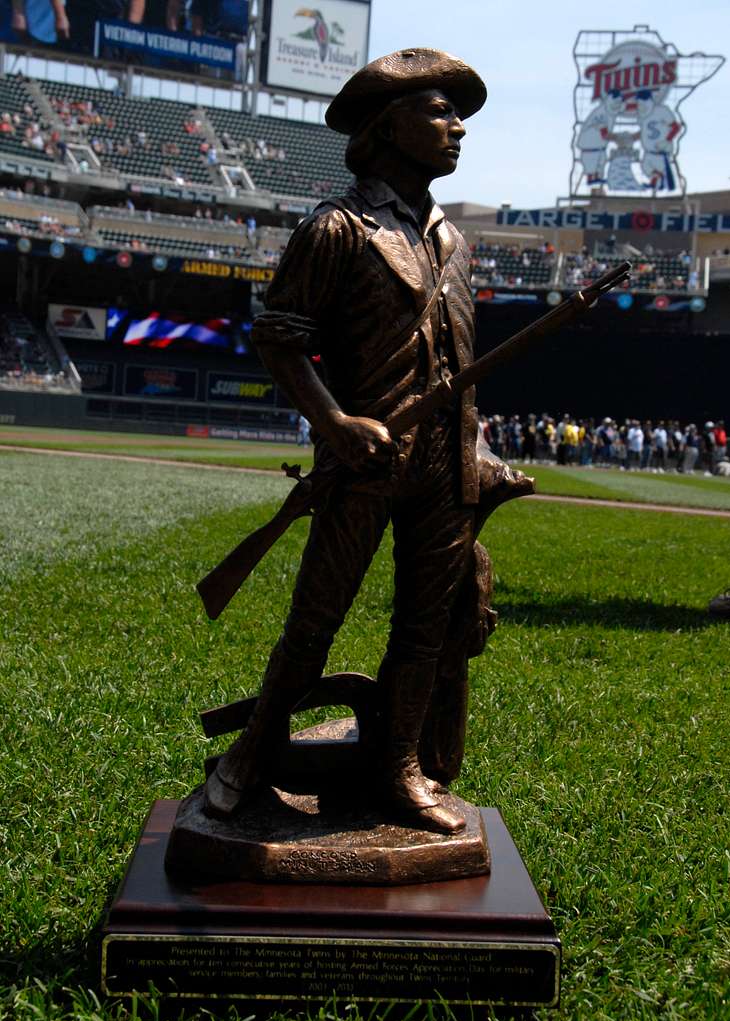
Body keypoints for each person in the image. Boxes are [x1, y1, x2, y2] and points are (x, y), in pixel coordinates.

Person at [204, 48, 531, 833]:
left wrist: (476, 455)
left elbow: (460, 364)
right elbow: (280, 339)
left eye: (460, 114)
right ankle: (251, 755)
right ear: (389, 127)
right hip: (364, 462)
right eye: (439, 112)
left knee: (423, 628)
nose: (458, 128)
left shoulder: (454, 240)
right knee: (315, 620)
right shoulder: (336, 228)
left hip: (443, 468)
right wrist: (336, 424)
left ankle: (399, 768)